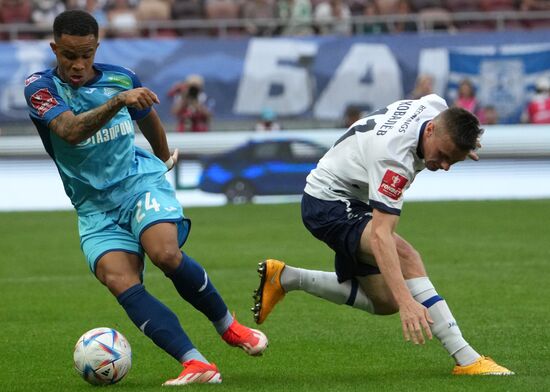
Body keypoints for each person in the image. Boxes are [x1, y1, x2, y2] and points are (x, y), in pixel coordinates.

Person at [24, 10, 267, 386]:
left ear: (96, 47)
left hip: (137, 183)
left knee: (165, 253)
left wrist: (163, 156)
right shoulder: (40, 88)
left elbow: (148, 117)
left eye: (86, 54)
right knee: (118, 278)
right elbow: (69, 131)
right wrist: (117, 102)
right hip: (93, 206)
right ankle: (197, 363)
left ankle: (229, 327)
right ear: (55, 48)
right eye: (69, 55)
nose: (77, 64)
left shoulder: (121, 77)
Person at [252, 94, 514, 376]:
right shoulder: (394, 160)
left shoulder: (436, 108)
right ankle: (467, 359)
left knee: (384, 301)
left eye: (454, 160)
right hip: (328, 203)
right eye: (444, 155)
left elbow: (453, 121)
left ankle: (286, 277)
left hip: (350, 196)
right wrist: (408, 304)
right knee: (407, 257)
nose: (445, 165)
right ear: (429, 130)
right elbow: (381, 236)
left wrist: (465, 143)